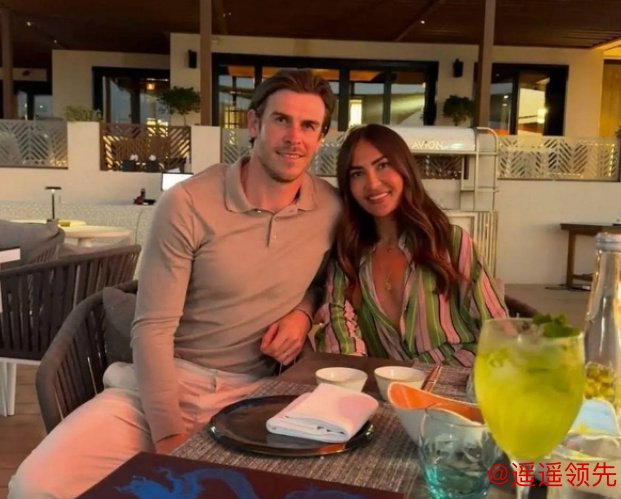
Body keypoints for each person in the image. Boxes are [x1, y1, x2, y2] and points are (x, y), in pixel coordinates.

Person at [9, 69, 341, 498]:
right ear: (254, 124)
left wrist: (302, 313)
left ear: (321, 136)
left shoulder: (329, 209)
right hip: (167, 381)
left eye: (308, 125)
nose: (294, 137)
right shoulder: (188, 203)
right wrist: (168, 437)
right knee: (35, 485)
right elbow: (151, 328)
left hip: (261, 395)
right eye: (282, 120)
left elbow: (326, 282)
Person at [314, 124, 506, 366]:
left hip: (459, 379)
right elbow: (338, 322)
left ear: (404, 168)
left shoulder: (452, 242)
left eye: (383, 165)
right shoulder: (348, 251)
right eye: (357, 174)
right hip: (384, 384)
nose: (372, 184)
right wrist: (356, 375)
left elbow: (497, 331)